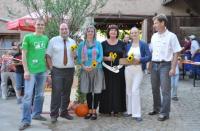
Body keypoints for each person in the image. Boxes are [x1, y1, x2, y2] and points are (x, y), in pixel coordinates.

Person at [149, 14, 181, 121]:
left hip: (165, 65)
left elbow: (176, 53)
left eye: (156, 23)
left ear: (163, 23)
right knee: (154, 89)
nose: (154, 25)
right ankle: (157, 108)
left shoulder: (172, 36)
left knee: (165, 91)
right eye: (154, 23)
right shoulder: (154, 36)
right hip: (154, 64)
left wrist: (173, 68)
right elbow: (152, 52)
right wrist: (150, 66)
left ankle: (165, 113)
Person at [19, 18, 49, 130]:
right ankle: (26, 120)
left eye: (42, 25)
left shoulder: (46, 38)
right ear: (34, 26)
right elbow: (23, 55)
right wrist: (26, 70)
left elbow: (45, 55)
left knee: (40, 95)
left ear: (44, 27)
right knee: (27, 96)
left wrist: (48, 69)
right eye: (38, 24)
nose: (40, 26)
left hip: (42, 70)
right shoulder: (28, 37)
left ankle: (36, 114)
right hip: (30, 71)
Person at [46, 23, 76, 123]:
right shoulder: (53, 40)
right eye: (62, 29)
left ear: (68, 30)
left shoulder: (72, 41)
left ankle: (64, 112)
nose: (64, 31)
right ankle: (54, 115)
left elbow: (74, 56)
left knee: (67, 93)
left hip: (69, 70)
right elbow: (48, 56)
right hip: (57, 70)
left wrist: (75, 55)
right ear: (59, 30)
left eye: (66, 29)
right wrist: (51, 69)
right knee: (56, 93)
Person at [77, 25, 105, 120]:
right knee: (88, 91)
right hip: (86, 70)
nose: (90, 33)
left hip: (97, 69)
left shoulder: (98, 44)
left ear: (94, 33)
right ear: (86, 33)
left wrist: (94, 65)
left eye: (92, 31)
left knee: (96, 91)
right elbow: (79, 58)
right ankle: (89, 110)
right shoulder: (82, 44)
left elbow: (100, 56)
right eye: (88, 31)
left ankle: (94, 111)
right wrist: (84, 67)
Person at [124, 27, 151, 121]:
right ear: (130, 34)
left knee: (135, 90)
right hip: (128, 69)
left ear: (138, 33)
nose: (134, 34)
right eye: (132, 33)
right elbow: (125, 56)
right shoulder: (128, 45)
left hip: (138, 70)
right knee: (129, 91)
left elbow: (149, 56)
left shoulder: (143, 44)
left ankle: (137, 114)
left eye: (135, 32)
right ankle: (129, 111)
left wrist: (140, 59)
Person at [99, 24, 126, 115]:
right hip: (106, 70)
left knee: (118, 89)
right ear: (108, 32)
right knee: (107, 89)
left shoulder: (122, 43)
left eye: (115, 30)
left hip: (119, 70)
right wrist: (107, 58)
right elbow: (99, 57)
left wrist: (120, 62)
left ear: (117, 32)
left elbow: (125, 57)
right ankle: (106, 109)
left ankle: (117, 109)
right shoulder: (103, 44)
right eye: (111, 30)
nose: (113, 32)